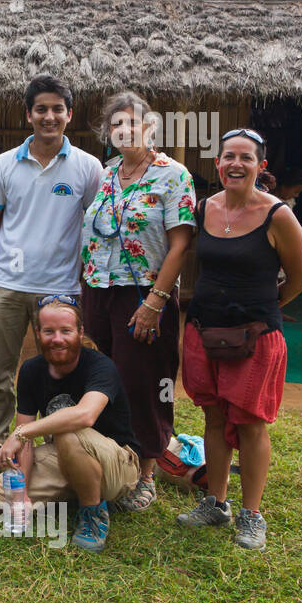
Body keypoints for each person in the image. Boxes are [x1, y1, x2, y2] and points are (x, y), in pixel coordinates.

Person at [178, 128, 302, 550]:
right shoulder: (203, 209)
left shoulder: (278, 215)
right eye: (228, 156)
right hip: (204, 330)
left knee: (250, 423)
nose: (236, 163)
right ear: (217, 164)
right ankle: (216, 502)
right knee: (214, 417)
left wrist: (263, 309)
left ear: (260, 166)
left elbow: (300, 279)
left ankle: (252, 514)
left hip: (256, 337)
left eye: (246, 157)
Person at [0, 75, 102, 479]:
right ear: (28, 114)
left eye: (57, 109)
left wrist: (88, 284)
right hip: (8, 284)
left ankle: (63, 448)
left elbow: (97, 225)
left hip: (62, 289)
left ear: (70, 115)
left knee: (62, 370)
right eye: (41, 109)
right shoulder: (4, 164)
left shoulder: (88, 167)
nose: (49, 116)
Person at [80, 91, 196, 510]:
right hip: (98, 290)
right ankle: (110, 462)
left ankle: (145, 473)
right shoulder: (107, 173)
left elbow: (180, 245)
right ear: (108, 133)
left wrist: (155, 302)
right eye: (117, 124)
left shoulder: (173, 175)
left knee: (144, 381)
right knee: (101, 376)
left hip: (146, 293)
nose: (126, 130)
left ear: (151, 129)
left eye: (136, 123)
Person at [0, 297, 142, 553]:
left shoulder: (101, 366)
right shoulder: (32, 370)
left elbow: (85, 415)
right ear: (38, 333)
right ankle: (75, 491)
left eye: (66, 331)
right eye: (49, 331)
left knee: (67, 432)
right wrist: (22, 492)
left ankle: (92, 514)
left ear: (80, 332)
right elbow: (27, 443)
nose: (57, 339)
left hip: (118, 464)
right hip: (64, 458)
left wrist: (21, 433)